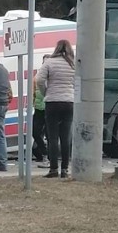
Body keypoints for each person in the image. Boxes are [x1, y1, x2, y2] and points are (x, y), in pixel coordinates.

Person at [36, 40, 75, 178]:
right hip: (68, 102)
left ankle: (53, 169)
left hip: (52, 102)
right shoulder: (73, 63)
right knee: (66, 136)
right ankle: (65, 169)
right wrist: (72, 91)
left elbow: (39, 79)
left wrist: (46, 91)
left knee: (52, 137)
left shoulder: (49, 62)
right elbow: (78, 80)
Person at [32, 55, 50, 165]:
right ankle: (44, 153)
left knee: (49, 134)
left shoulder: (53, 76)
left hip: (49, 108)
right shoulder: (37, 76)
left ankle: (46, 157)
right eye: (44, 62)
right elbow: (33, 90)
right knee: (35, 132)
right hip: (38, 108)